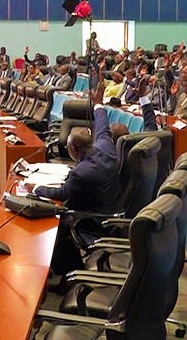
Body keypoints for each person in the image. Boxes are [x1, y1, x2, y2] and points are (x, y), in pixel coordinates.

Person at [30, 77, 121, 276]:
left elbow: (61, 194)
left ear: (72, 149)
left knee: (56, 225)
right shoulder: (106, 147)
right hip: (112, 211)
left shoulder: (81, 172)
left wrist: (35, 188)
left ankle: (70, 271)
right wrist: (98, 103)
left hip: (95, 221)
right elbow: (103, 125)